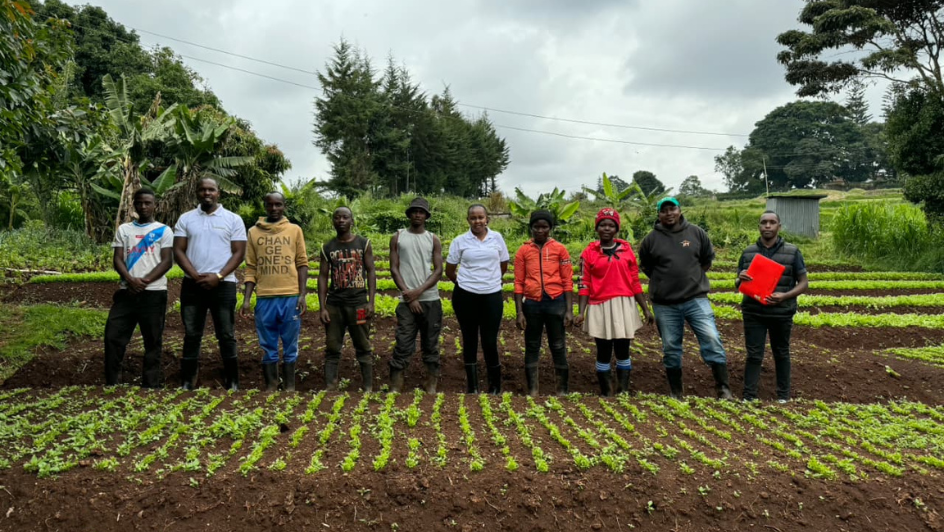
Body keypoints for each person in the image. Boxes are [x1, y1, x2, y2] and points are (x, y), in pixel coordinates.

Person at [638, 197, 732, 400]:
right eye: (664, 211)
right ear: (659, 214)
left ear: (680, 210)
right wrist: (665, 281)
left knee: (711, 339)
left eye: (673, 209)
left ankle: (723, 389)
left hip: (695, 299)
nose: (669, 213)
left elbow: (706, 260)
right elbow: (646, 266)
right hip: (664, 304)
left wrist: (692, 279)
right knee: (671, 347)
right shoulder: (651, 239)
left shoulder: (696, 232)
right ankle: (676, 392)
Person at [173, 178, 247, 390]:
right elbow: (178, 250)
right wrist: (195, 276)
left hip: (223, 285)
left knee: (226, 333)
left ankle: (232, 381)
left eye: (211, 190)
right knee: (192, 333)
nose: (207, 193)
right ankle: (188, 380)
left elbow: (239, 252)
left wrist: (220, 276)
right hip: (192, 284)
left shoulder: (233, 219)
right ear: (197, 192)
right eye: (202, 189)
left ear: (218, 193)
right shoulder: (186, 219)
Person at [574, 208, 654, 396]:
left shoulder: (627, 251)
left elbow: (634, 281)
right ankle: (606, 391)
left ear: (616, 229)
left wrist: (645, 309)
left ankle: (622, 390)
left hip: (623, 304)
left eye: (611, 225)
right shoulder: (589, 253)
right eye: (603, 225)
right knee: (603, 350)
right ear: (597, 228)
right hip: (599, 305)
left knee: (622, 348)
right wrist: (580, 312)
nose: (607, 228)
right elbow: (584, 283)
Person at [104, 188, 174, 387]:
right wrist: (130, 280)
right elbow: (117, 259)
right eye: (140, 203)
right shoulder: (124, 230)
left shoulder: (164, 231)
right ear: (134, 204)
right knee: (113, 336)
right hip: (127, 293)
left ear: (155, 205)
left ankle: (150, 385)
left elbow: (167, 261)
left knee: (152, 340)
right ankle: (112, 382)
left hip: (154, 293)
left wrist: (144, 282)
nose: (143, 206)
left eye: (148, 203)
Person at [736, 211, 808, 402]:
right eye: (764, 222)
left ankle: (783, 396)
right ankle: (749, 396)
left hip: (782, 312)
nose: (767, 226)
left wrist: (785, 296)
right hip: (754, 311)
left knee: (781, 352)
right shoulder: (748, 252)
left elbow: (803, 283)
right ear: (759, 226)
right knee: (754, 354)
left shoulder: (792, 251)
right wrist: (739, 278)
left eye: (772, 222)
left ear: (779, 227)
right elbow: (739, 282)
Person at [240, 192, 309, 392]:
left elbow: (302, 263)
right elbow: (251, 267)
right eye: (270, 205)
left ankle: (289, 386)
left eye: (278, 204)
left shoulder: (295, 230)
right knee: (268, 344)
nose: (274, 209)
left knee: (290, 344)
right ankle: (271, 385)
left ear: (284, 206)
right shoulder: (253, 232)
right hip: (264, 297)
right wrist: (246, 300)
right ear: (265, 206)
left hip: (290, 297)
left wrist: (302, 294)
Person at [446, 204, 509, 394]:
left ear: (487, 218)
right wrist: (465, 283)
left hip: (492, 295)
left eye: (481, 217)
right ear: (468, 220)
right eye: (473, 218)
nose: (477, 221)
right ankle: (472, 387)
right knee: (470, 338)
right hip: (465, 295)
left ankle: (494, 387)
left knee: (490, 340)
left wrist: (490, 281)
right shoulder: (460, 241)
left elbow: (503, 264)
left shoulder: (497, 238)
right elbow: (450, 270)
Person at [513, 209, 574, 396]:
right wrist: (519, 312)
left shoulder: (560, 249)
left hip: (556, 302)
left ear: (550, 228)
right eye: (536, 227)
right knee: (532, 344)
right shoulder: (523, 251)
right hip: (532, 303)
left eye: (544, 227)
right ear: (530, 228)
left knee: (558, 345)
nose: (540, 230)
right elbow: (518, 282)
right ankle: (533, 390)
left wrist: (569, 310)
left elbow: (567, 281)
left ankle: (562, 390)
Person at [389, 197, 444, 393]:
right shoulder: (398, 237)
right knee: (403, 341)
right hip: (406, 302)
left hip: (429, 300)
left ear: (426, 216)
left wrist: (417, 293)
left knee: (431, 343)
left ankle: (431, 383)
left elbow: (438, 271)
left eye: (421, 212)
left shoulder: (433, 239)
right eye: (414, 211)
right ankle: (396, 383)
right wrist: (408, 295)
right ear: (409, 214)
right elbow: (394, 269)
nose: (417, 215)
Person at [318, 206, 376, 391]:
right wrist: (322, 307)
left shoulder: (363, 243)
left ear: (352, 221)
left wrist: (371, 301)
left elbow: (371, 271)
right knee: (332, 347)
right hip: (334, 306)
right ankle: (330, 386)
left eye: (345, 217)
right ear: (333, 221)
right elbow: (322, 276)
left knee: (363, 345)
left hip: (358, 304)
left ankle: (367, 387)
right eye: (337, 217)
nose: (341, 220)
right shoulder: (327, 247)